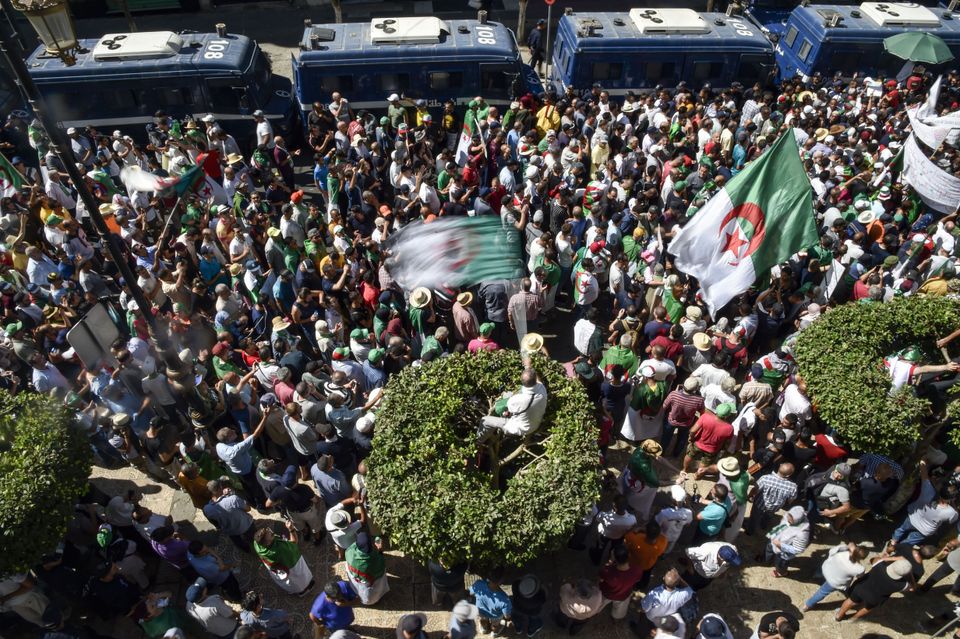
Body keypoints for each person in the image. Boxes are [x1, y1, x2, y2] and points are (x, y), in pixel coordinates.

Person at [836, 558, 914, 621]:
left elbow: (872, 559)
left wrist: (895, 558)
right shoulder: (902, 585)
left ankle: (839, 616)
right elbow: (912, 589)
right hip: (874, 598)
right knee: (867, 608)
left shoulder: (880, 564)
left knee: (851, 601)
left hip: (861, 587)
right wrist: (910, 574)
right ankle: (853, 618)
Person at [480, 368, 548, 438]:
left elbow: (501, 408)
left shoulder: (517, 400)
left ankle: (478, 442)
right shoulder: (542, 389)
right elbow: (538, 380)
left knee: (485, 420)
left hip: (521, 428)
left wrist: (504, 400)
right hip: (535, 424)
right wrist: (528, 366)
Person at [253, 523, 314, 596]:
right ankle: (302, 591)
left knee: (288, 581)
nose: (271, 532)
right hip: (292, 566)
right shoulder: (281, 549)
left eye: (268, 530)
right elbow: (294, 543)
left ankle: (293, 590)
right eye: (271, 535)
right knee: (299, 579)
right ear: (268, 543)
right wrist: (291, 530)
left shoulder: (257, 545)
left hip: (279, 568)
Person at [803, 542, 868, 611]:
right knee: (822, 592)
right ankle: (808, 605)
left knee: (823, 568)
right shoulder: (860, 569)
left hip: (826, 569)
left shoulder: (842, 552)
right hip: (834, 582)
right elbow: (859, 576)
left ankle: (816, 575)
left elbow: (831, 551)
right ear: (862, 558)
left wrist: (847, 546)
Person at [345, 531, 390, 605]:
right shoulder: (374, 560)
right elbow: (381, 568)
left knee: (360, 591)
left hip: (354, 577)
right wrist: (380, 550)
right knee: (371, 595)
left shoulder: (350, 551)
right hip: (368, 581)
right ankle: (372, 601)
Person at [598, 544, 642, 620]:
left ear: (614, 558)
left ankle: (595, 610)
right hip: (623, 594)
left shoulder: (607, 571)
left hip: (607, 593)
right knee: (620, 610)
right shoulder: (637, 570)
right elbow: (637, 580)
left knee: (599, 604)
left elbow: (601, 579)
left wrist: (609, 562)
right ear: (628, 556)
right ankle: (617, 617)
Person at [764, 506, 810, 577]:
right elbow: (784, 519)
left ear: (797, 520)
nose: (787, 519)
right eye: (788, 516)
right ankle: (767, 561)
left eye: (790, 520)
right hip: (775, 539)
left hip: (783, 553)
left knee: (780, 564)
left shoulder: (803, 532)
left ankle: (781, 572)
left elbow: (798, 549)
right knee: (769, 548)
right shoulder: (790, 514)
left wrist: (780, 545)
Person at [470, 568, 512, 635]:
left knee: (482, 620)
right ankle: (494, 633)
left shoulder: (478, 584)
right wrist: (508, 618)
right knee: (495, 624)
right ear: (501, 581)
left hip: (481, 611)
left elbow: (471, 593)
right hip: (496, 616)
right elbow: (506, 616)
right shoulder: (505, 600)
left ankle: (484, 629)